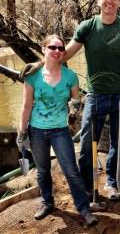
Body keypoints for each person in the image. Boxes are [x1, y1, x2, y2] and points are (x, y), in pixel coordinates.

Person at [64, 0, 120, 200]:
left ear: (119, 2)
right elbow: (66, 54)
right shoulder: (87, 27)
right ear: (98, 1)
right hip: (95, 95)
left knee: (119, 143)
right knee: (88, 142)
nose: (109, 1)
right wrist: (42, 64)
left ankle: (112, 183)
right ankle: (87, 185)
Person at [16, 35, 97, 225]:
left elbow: (75, 100)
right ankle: (47, 202)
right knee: (43, 170)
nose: (57, 51)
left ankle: (84, 209)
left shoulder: (70, 76)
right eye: (52, 47)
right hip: (36, 130)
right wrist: (21, 133)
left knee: (71, 171)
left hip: (60, 130)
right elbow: (26, 106)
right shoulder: (33, 76)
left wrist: (74, 109)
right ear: (44, 49)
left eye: (61, 49)